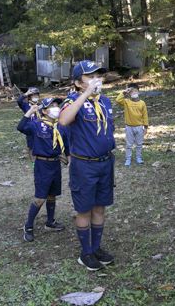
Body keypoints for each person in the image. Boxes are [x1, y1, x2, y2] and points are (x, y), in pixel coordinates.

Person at [59, 60, 115, 271]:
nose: (96, 80)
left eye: (98, 75)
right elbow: (64, 120)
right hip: (84, 166)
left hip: (105, 163)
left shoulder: (105, 102)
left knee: (100, 207)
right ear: (78, 83)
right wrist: (85, 95)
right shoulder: (72, 100)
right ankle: (86, 253)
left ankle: (96, 247)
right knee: (84, 210)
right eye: (90, 76)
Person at [18, 97, 70, 242]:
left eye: (57, 106)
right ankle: (28, 226)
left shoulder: (60, 126)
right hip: (42, 165)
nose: (56, 108)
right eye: (52, 106)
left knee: (52, 195)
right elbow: (21, 127)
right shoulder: (36, 125)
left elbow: (66, 144)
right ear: (45, 111)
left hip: (55, 164)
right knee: (40, 197)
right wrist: (30, 111)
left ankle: (50, 222)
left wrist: (69, 159)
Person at [115, 83, 149, 166]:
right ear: (129, 93)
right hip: (129, 127)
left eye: (135, 91)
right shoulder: (126, 102)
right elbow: (118, 100)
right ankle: (128, 159)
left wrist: (145, 127)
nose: (134, 93)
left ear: (138, 92)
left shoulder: (142, 103)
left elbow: (145, 115)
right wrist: (124, 92)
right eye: (131, 92)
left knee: (139, 144)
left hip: (139, 127)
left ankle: (138, 157)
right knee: (129, 144)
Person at [17, 87, 42, 159]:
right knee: (31, 144)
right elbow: (19, 101)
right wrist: (26, 94)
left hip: (39, 126)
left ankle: (39, 156)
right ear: (29, 97)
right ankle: (33, 160)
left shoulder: (41, 105)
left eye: (37, 95)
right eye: (33, 95)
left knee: (40, 141)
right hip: (30, 126)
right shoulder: (26, 105)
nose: (35, 97)